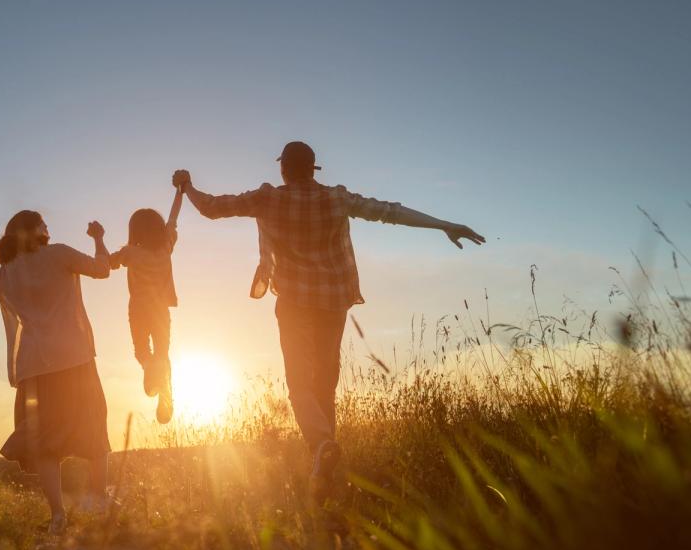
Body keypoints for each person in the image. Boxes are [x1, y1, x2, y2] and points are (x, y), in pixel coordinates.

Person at [171, 141, 485, 491]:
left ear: (283, 169)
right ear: (313, 168)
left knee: (299, 385)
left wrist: (187, 187)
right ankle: (328, 473)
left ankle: (322, 447)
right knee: (324, 384)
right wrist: (443, 224)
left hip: (293, 302)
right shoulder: (337, 198)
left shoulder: (268, 198)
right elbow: (390, 212)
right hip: (333, 301)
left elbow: (213, 208)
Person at [0, 211, 112, 535]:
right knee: (94, 424)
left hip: (35, 367)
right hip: (75, 359)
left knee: (43, 442)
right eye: (44, 224)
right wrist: (99, 238)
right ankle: (97, 499)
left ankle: (58, 516)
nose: (49, 228)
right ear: (35, 230)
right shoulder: (59, 254)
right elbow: (102, 270)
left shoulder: (5, 274)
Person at [109, 187, 183, 423]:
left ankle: (150, 368)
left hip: (138, 309)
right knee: (163, 352)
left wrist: (98, 242)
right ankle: (166, 396)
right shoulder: (166, 247)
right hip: (160, 310)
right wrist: (179, 193)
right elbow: (173, 218)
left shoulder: (130, 253)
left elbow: (107, 264)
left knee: (142, 350)